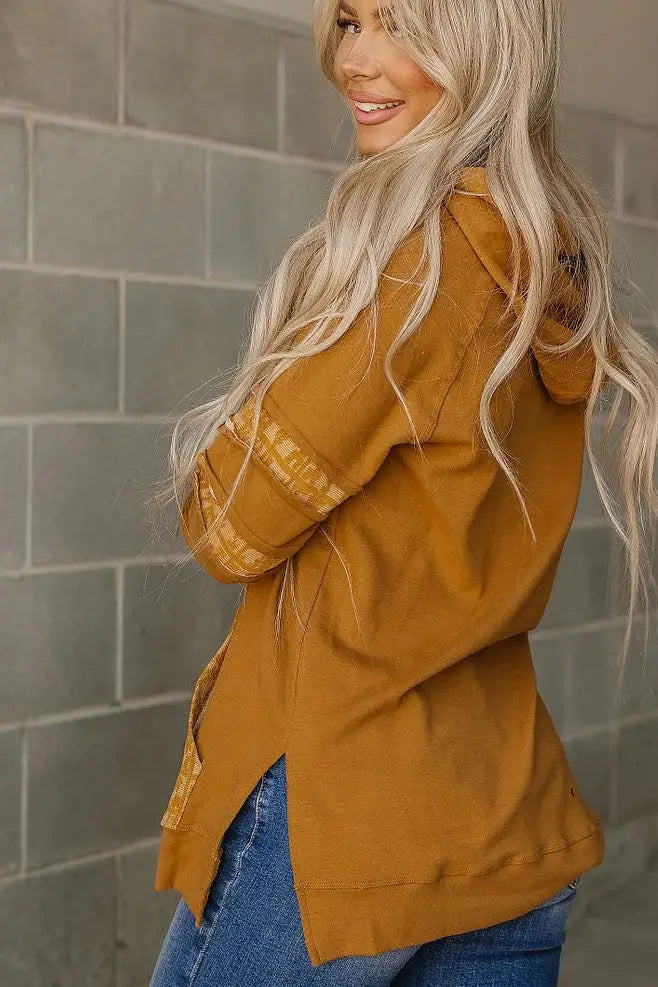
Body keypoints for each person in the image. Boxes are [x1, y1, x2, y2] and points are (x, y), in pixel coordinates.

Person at [146, 1, 658, 984]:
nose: (358, 59)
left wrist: (291, 347)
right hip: (502, 816)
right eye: (350, 20)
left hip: (344, 822)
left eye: (405, 26)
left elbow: (228, 527)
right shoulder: (549, 257)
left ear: (484, 45)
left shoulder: (426, 263)